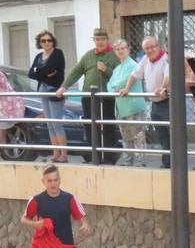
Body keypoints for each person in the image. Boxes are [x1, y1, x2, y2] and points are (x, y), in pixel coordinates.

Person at [57, 28, 121, 165]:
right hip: (88, 97)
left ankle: (109, 158)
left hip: (107, 97)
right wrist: (64, 87)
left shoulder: (114, 55)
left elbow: (119, 77)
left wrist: (106, 70)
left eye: (102, 39)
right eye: (97, 39)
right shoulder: (88, 55)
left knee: (108, 126)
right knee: (90, 127)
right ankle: (94, 156)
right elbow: (76, 71)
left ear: (107, 40)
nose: (100, 42)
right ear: (94, 41)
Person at [21, 165, 91, 248]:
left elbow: (82, 218)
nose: (53, 183)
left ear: (60, 180)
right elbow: (24, 219)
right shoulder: (36, 200)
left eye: (55, 180)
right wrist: (35, 224)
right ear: (43, 182)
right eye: (49, 181)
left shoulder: (69, 198)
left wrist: (85, 225)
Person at [124, 37, 171, 169]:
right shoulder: (145, 59)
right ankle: (167, 162)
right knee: (161, 134)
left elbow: (168, 76)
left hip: (168, 101)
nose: (150, 50)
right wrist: (127, 88)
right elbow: (134, 74)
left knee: (171, 133)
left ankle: (175, 162)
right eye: (147, 48)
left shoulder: (166, 58)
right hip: (155, 103)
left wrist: (162, 87)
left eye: (152, 47)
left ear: (158, 46)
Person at [29, 29, 67, 163]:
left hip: (54, 90)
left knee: (57, 123)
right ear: (40, 43)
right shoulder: (39, 56)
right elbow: (30, 73)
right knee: (49, 124)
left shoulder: (58, 53)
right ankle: (55, 153)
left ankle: (64, 154)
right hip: (42, 89)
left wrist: (39, 71)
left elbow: (52, 67)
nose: (46, 43)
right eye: (43, 41)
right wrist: (44, 73)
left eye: (49, 40)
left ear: (53, 41)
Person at [107, 39, 146, 166]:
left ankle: (141, 163)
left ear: (128, 49)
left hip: (134, 106)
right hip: (121, 107)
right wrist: (114, 88)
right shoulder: (117, 68)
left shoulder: (134, 65)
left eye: (122, 48)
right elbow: (109, 85)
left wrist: (115, 87)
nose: (120, 51)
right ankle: (127, 162)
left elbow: (125, 81)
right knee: (125, 137)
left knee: (138, 136)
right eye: (117, 49)